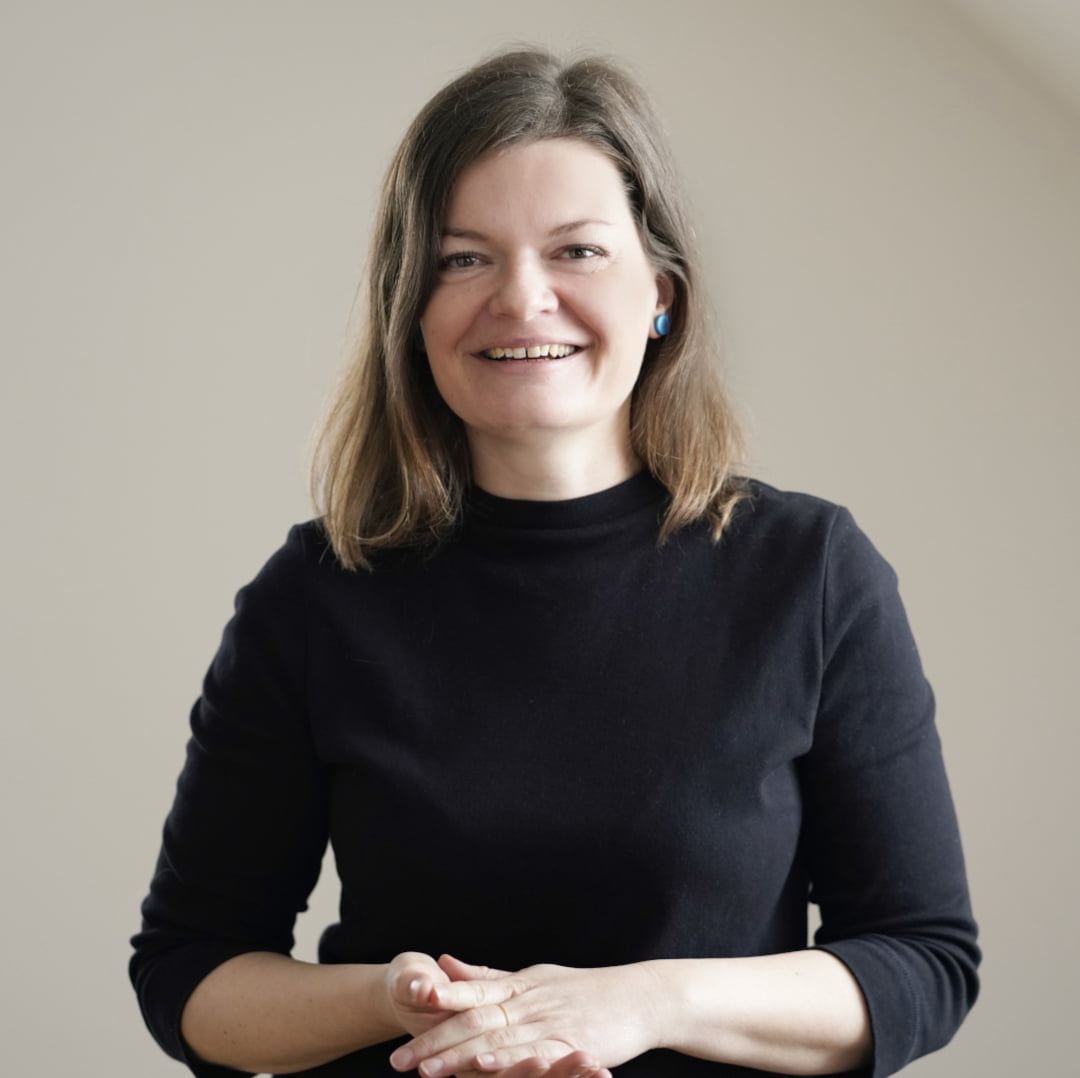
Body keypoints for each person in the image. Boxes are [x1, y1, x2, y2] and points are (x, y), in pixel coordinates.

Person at [131, 48, 979, 1078]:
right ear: (411, 308)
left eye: (576, 250)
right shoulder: (315, 593)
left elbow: (922, 960)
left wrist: (644, 1003)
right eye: (462, 260)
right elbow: (189, 970)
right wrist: (397, 1001)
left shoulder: (812, 573)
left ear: (661, 292)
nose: (521, 298)